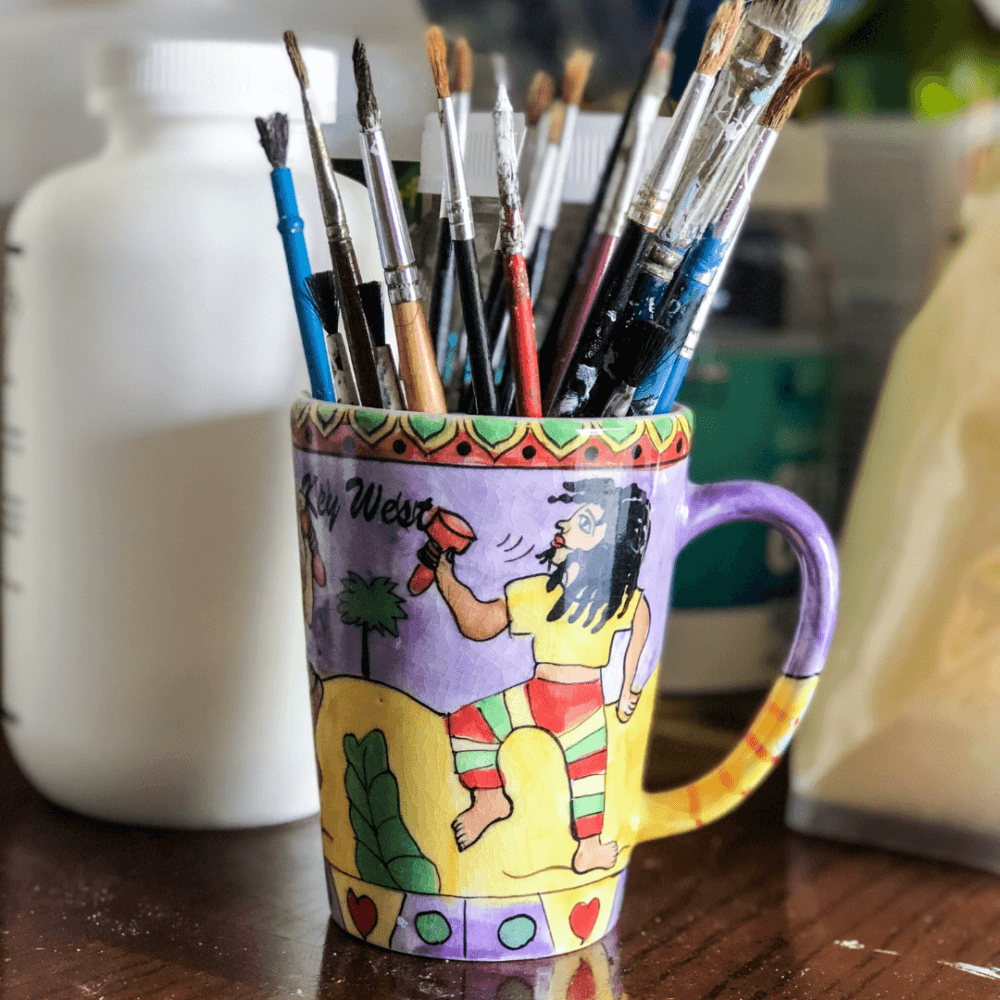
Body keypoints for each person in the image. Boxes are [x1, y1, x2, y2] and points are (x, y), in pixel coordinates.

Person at [429, 478, 651, 873]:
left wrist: (631, 682)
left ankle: (588, 846)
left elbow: (641, 616)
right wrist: (444, 577)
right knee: (467, 723)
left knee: (589, 776)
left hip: (584, 703)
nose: (563, 527)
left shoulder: (612, 597)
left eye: (583, 523)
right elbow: (477, 623)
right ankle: (490, 798)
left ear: (610, 542)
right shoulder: (540, 592)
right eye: (569, 519)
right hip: (539, 694)